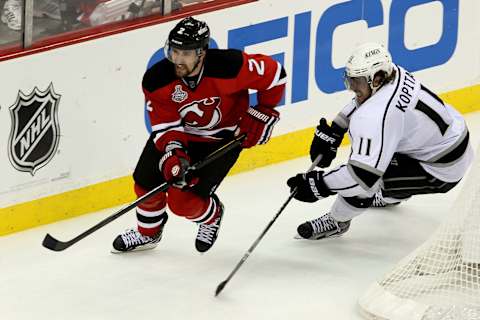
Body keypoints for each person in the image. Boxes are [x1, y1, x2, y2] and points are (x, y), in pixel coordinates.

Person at [112, 16, 286, 253]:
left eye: (185, 53)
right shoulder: (157, 79)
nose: (178, 59)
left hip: (221, 141)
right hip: (179, 135)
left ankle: (212, 215)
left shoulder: (230, 66)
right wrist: (175, 157)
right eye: (175, 51)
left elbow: (276, 74)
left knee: (182, 202)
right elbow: (166, 126)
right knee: (145, 185)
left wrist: (265, 110)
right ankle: (148, 234)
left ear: (202, 53)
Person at [287, 42, 473, 240]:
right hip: (451, 138)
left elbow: (361, 177)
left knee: (369, 183)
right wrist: (337, 128)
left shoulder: (377, 115)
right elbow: (363, 100)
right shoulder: (393, 73)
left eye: (357, 82)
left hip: (442, 168)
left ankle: (337, 221)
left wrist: (319, 184)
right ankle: (391, 196)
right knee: (382, 154)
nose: (352, 88)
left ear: (377, 78)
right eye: (351, 80)